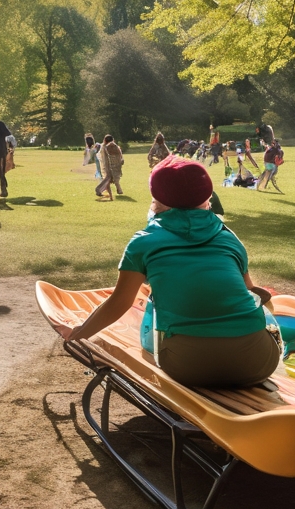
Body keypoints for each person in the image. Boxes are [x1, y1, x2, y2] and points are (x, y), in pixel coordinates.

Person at [65, 157, 280, 387]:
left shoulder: (144, 242)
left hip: (187, 366)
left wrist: (80, 334)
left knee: (155, 309)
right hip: (257, 363)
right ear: (207, 196)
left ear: (158, 199)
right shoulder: (229, 238)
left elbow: (120, 302)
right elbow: (251, 293)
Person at [95, 134, 123, 200]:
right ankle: (99, 189)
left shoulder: (105, 146)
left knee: (109, 178)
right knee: (108, 178)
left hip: (108, 164)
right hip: (108, 165)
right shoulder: (106, 147)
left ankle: (117, 190)